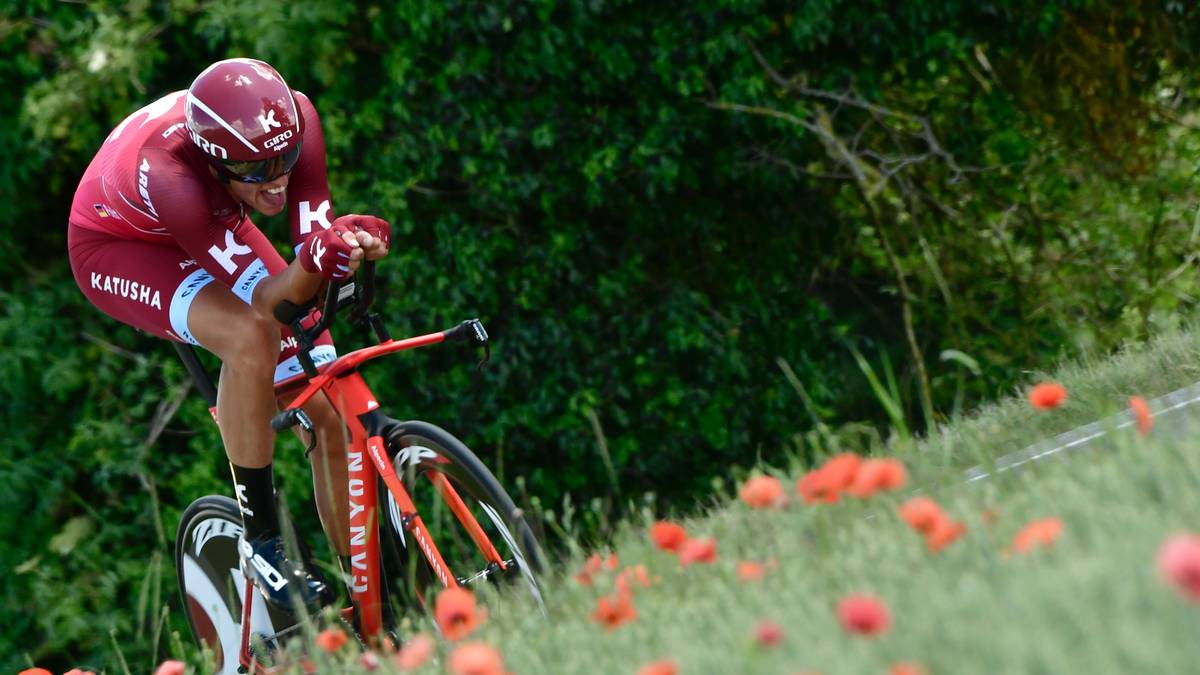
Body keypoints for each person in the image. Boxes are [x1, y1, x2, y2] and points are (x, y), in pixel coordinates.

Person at [67, 58, 389, 612]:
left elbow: (311, 251)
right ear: (217, 163)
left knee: (330, 411)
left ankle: (372, 603)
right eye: (255, 169)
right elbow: (269, 300)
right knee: (250, 336)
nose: (278, 179)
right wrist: (317, 259)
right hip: (120, 245)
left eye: (285, 159)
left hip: (209, 216)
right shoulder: (171, 172)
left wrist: (344, 243)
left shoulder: (296, 120)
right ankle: (263, 540)